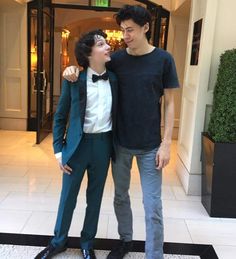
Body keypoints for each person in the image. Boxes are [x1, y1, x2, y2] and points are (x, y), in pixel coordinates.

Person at [63, 5, 179, 259]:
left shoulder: (164, 60)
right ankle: (125, 241)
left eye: (131, 30)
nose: (125, 35)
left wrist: (167, 143)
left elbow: (170, 102)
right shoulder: (115, 60)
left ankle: (154, 254)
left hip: (151, 146)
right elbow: (92, 70)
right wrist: (72, 70)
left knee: (152, 205)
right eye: (123, 30)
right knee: (120, 197)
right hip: (120, 145)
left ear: (146, 28)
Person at [34, 29, 118, 259]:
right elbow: (60, 117)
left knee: (95, 197)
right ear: (89, 53)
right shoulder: (74, 79)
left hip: (103, 145)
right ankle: (58, 242)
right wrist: (59, 153)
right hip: (77, 148)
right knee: (68, 196)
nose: (108, 46)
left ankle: (87, 243)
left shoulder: (114, 79)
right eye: (101, 44)